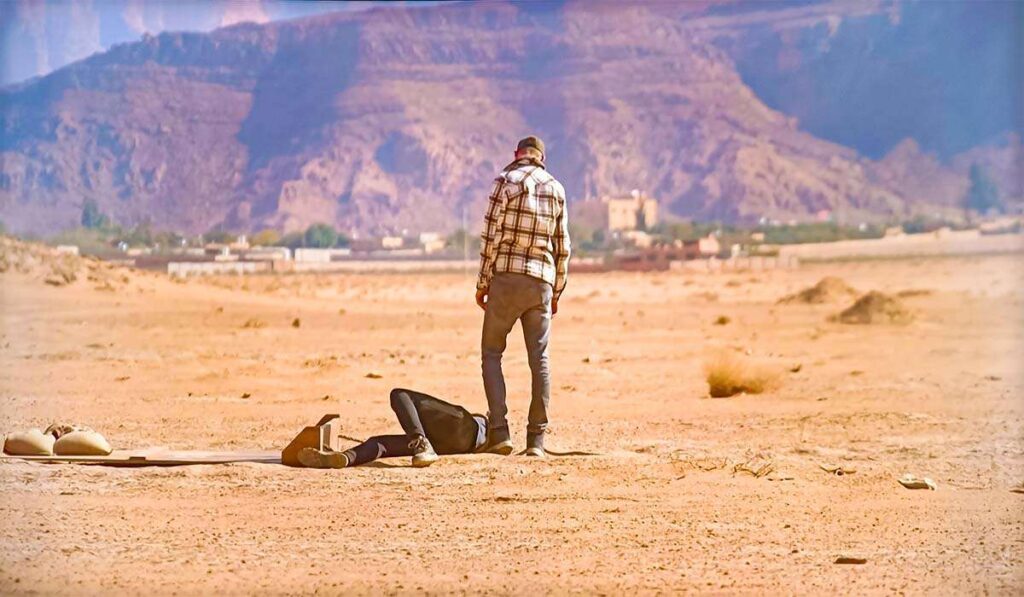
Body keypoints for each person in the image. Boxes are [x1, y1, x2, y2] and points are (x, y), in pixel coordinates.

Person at [475, 135, 571, 458]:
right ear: (542, 158)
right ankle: (536, 441)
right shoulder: (556, 189)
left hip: (505, 279)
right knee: (539, 360)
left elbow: (490, 235)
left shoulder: (505, 181)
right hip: (540, 282)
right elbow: (563, 247)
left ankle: (500, 432)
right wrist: (556, 290)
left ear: (517, 155)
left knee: (491, 353)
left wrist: (483, 282)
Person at [297, 388, 489, 468]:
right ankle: (345, 458)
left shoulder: (481, 421)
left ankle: (421, 442)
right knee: (379, 443)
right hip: (454, 446)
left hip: (467, 427)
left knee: (399, 394)